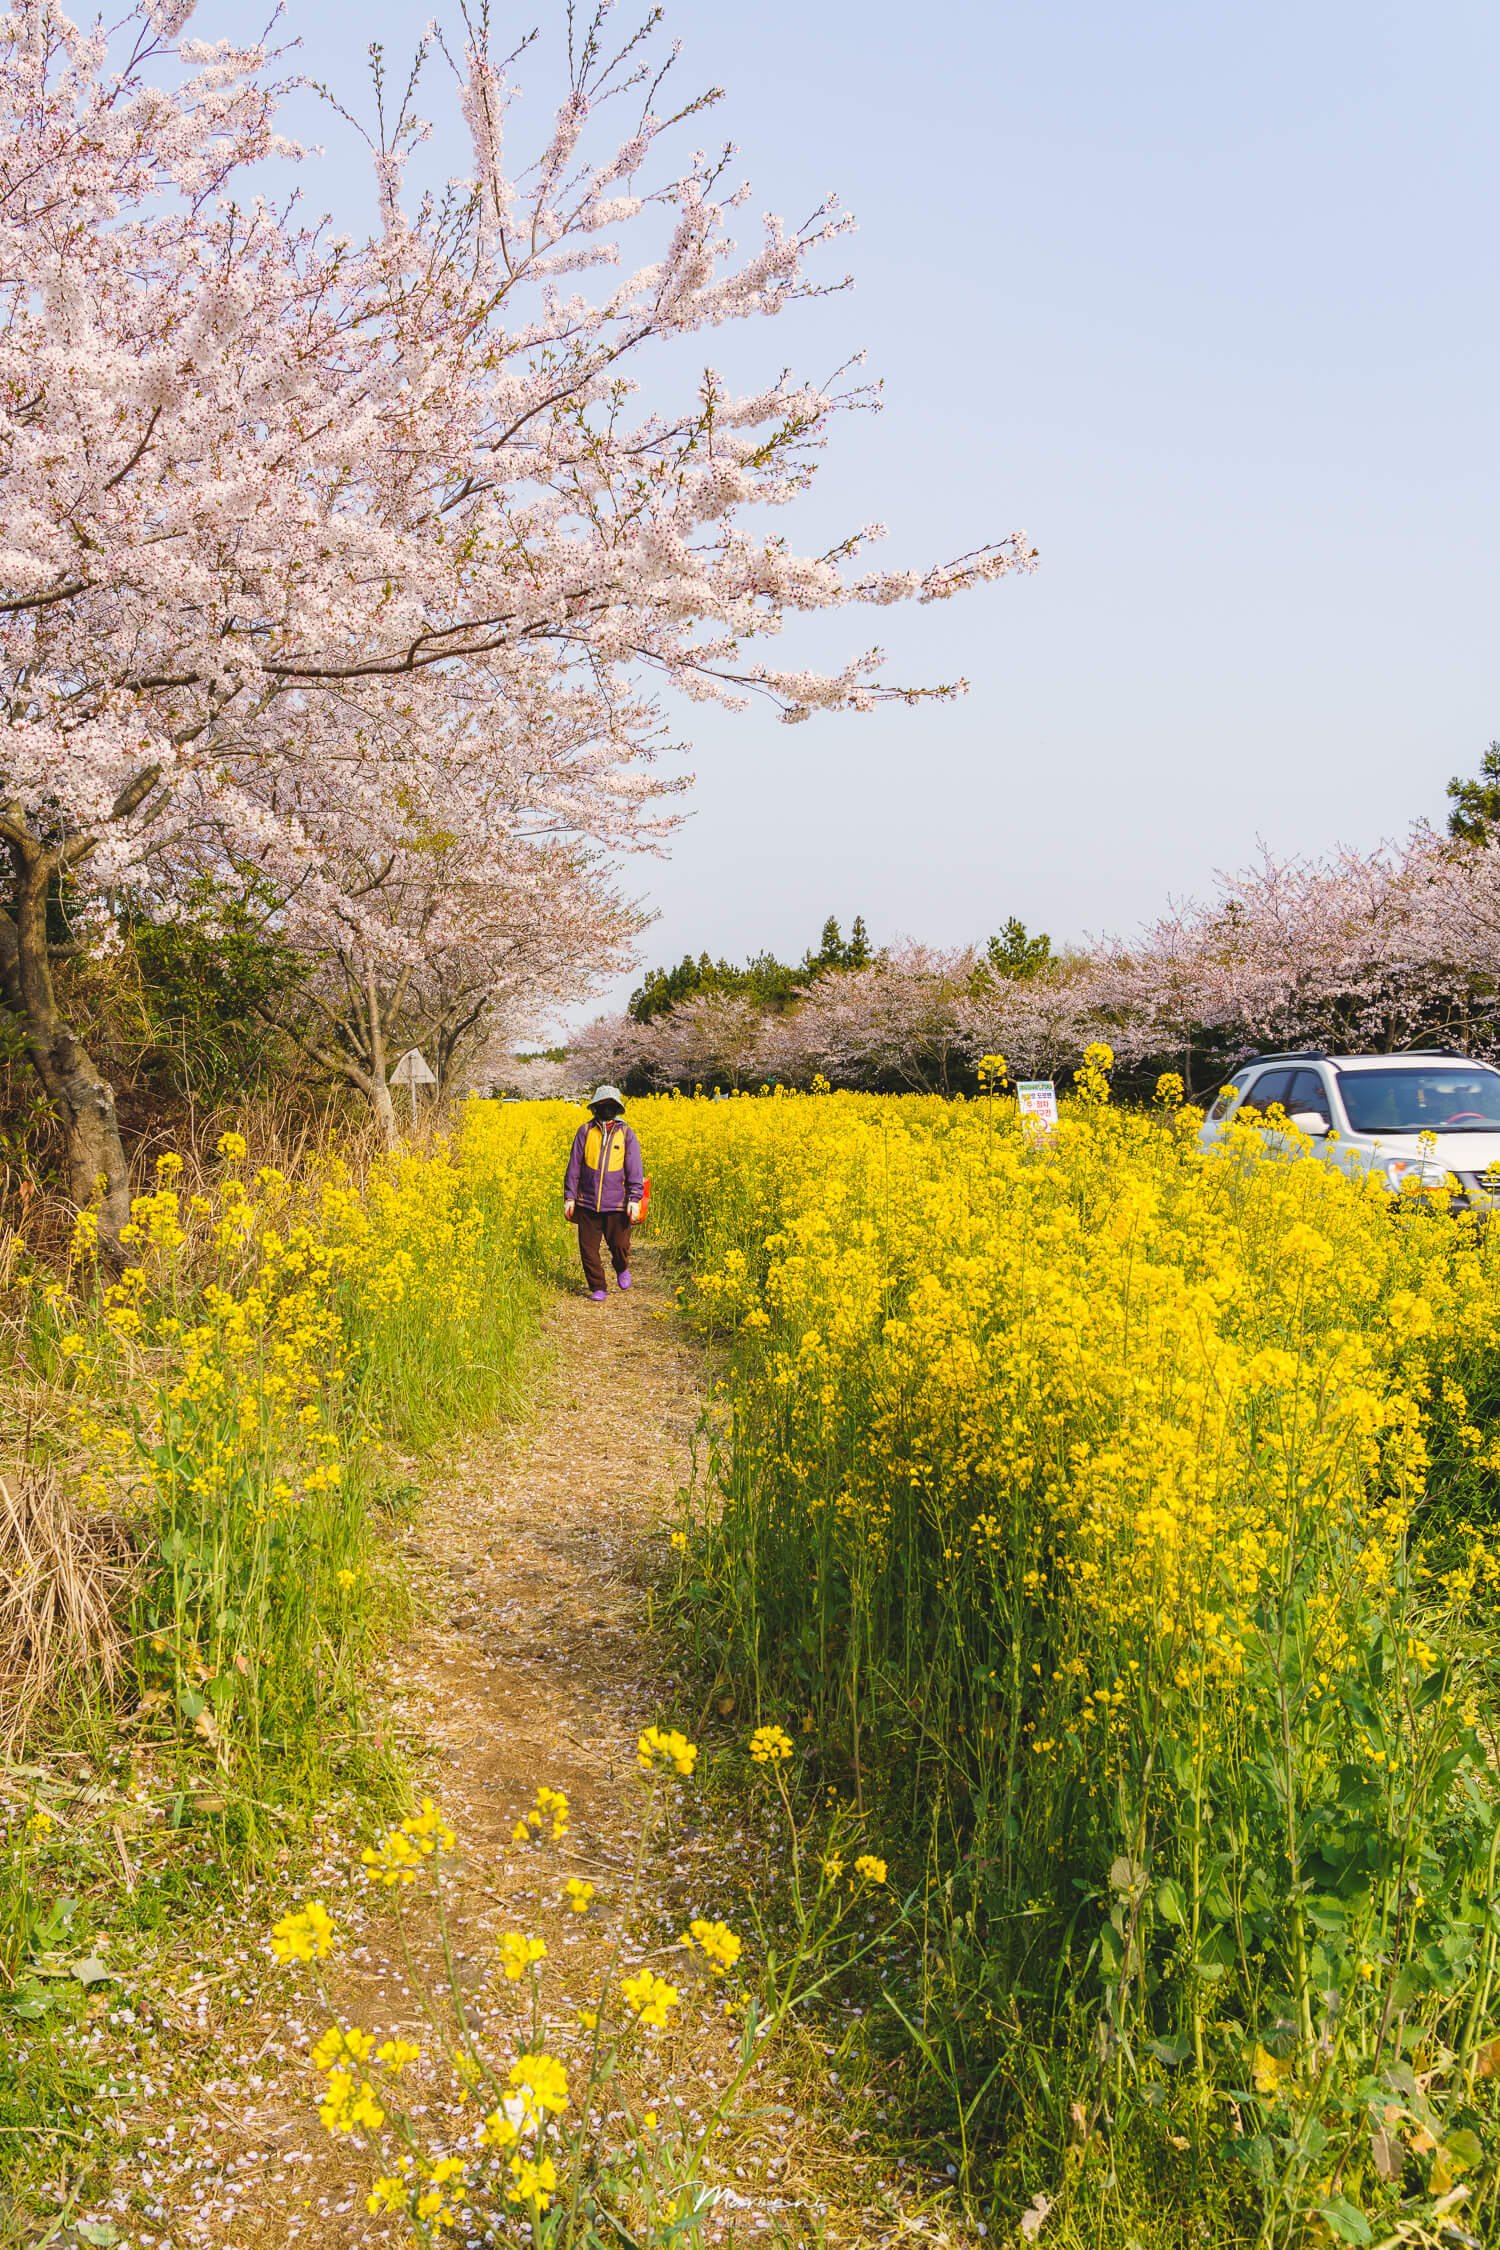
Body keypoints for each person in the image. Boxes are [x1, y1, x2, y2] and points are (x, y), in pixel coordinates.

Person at [563, 1084, 644, 1302]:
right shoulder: (585, 1131)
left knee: (619, 1246)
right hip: (587, 1203)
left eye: (611, 1105)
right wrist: (569, 1197)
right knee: (587, 1249)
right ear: (595, 1106)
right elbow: (574, 1166)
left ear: (617, 1108)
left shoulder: (627, 1134)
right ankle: (598, 1286)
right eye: (602, 1104)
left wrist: (634, 1198)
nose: (606, 1108)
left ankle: (621, 1267)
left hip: (617, 1203)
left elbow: (634, 1167)